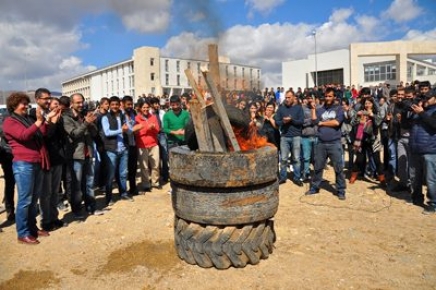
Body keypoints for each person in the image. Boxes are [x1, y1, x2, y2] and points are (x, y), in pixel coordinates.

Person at [3, 92, 58, 244]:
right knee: (25, 200)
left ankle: (32, 228)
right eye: (22, 103)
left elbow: (41, 134)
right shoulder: (9, 121)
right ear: (14, 105)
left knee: (34, 200)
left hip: (36, 161)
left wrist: (46, 121)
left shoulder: (27, 119)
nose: (26, 106)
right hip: (23, 164)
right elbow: (24, 136)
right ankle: (22, 233)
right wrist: (39, 122)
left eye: (26, 103)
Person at [63, 93, 104, 218]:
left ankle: (91, 207)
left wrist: (91, 123)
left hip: (88, 153)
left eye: (82, 102)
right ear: (72, 103)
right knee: (77, 185)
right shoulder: (66, 118)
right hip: (76, 155)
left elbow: (95, 133)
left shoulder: (84, 115)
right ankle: (77, 210)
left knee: (89, 183)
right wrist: (86, 123)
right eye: (78, 102)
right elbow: (74, 134)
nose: (81, 105)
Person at [305, 87, 347, 200]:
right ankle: (315, 187)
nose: (328, 98)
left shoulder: (339, 109)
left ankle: (341, 190)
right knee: (318, 167)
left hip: (334, 143)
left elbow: (336, 122)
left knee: (338, 168)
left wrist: (322, 123)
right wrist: (313, 108)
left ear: (334, 97)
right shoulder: (320, 109)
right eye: (326, 96)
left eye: (330, 96)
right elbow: (314, 121)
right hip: (321, 143)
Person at [101, 96, 134, 205]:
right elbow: (107, 132)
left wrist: (131, 129)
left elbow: (128, 130)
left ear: (120, 105)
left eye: (116, 104)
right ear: (109, 106)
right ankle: (109, 198)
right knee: (110, 175)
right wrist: (121, 130)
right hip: (111, 149)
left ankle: (123, 193)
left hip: (124, 148)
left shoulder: (123, 115)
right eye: (112, 105)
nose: (115, 106)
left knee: (123, 173)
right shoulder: (105, 117)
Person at [409, 89, 436, 214]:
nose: (425, 100)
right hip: (415, 148)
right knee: (415, 177)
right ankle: (417, 198)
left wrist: (422, 113)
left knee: (431, 179)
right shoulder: (417, 110)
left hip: (430, 150)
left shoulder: (432, 111)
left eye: (428, 98)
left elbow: (434, 125)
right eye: (424, 98)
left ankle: (433, 204)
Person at [274, 90, 304, 186]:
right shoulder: (281, 109)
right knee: (283, 159)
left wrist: (292, 120)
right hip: (284, 137)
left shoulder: (299, 108)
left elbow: (301, 122)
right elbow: (277, 122)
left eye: (289, 97)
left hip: (296, 136)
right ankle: (283, 177)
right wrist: (283, 122)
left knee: (296, 158)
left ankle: (297, 177)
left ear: (294, 97)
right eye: (286, 97)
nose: (287, 99)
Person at [134, 99, 161, 192]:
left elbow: (158, 130)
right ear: (140, 108)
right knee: (144, 166)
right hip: (142, 145)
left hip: (154, 144)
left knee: (156, 165)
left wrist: (153, 128)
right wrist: (146, 128)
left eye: (147, 107)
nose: (145, 109)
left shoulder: (153, 117)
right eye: (143, 107)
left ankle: (155, 182)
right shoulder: (136, 118)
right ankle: (146, 184)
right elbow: (136, 132)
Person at [122, 95, 138, 196]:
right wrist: (134, 129)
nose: (130, 106)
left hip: (133, 143)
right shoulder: (120, 114)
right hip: (124, 144)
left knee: (133, 167)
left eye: (131, 104)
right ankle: (123, 191)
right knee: (124, 170)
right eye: (128, 104)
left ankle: (133, 187)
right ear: (123, 104)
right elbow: (124, 129)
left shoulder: (133, 113)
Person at [301, 94, 318, 182]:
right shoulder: (303, 109)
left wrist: (314, 113)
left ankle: (317, 175)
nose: (310, 99)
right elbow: (301, 122)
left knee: (316, 157)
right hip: (306, 136)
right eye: (308, 98)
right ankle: (306, 174)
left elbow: (320, 120)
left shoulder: (318, 108)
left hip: (316, 136)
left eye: (312, 98)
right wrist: (311, 120)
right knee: (306, 157)